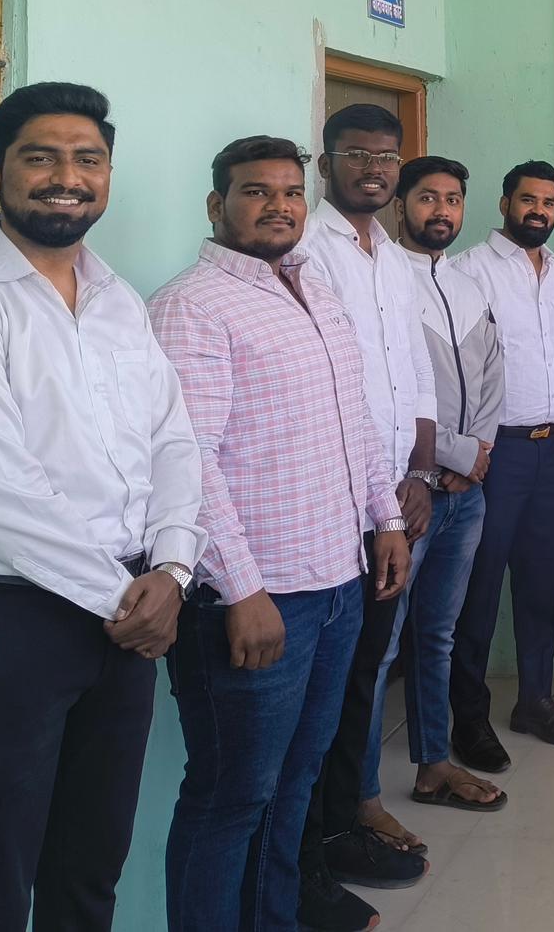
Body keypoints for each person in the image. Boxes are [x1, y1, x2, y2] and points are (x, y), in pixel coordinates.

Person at [0, 83, 204, 932]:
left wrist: (170, 568)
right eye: (41, 157)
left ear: (106, 176)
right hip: (8, 621)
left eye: (87, 159)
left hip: (131, 612)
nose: (67, 176)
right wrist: (130, 599)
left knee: (90, 869)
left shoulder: (118, 300)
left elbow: (173, 441)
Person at [151, 136, 411, 932]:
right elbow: (188, 462)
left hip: (335, 582)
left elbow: (355, 424)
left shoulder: (315, 291)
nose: (278, 206)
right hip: (257, 599)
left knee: (295, 783)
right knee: (232, 795)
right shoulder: (191, 306)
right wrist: (242, 586)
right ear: (216, 205)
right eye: (256, 191)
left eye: (291, 192)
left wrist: (387, 519)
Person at [294, 107, 435, 927]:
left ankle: (345, 825)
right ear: (327, 162)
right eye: (358, 156)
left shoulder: (391, 256)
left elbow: (413, 372)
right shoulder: (305, 250)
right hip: (332, 509)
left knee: (364, 680)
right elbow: (325, 390)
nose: (375, 171)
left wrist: (417, 472)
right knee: (330, 689)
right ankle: (309, 850)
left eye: (387, 158)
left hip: (391, 505)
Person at [450, 160, 554, 764]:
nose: (539, 211)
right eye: (528, 200)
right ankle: (468, 719)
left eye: (549, 203)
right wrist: (470, 449)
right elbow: (458, 372)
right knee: (477, 589)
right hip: (495, 452)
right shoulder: (467, 273)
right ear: (505, 202)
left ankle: (535, 698)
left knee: (544, 581)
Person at [392, 157, 508, 817]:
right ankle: (358, 795)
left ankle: (434, 762)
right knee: (384, 642)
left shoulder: (465, 285)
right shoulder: (384, 284)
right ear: (402, 204)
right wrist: (454, 455)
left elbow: (494, 373)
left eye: (453, 200)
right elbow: (391, 392)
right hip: (410, 490)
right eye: (429, 198)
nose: (442, 211)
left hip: (467, 493)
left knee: (439, 633)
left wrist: (479, 454)